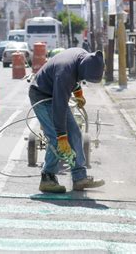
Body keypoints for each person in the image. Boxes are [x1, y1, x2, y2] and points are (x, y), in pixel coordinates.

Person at [29, 48, 105, 193]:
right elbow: (60, 106)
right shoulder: (65, 72)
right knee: (56, 139)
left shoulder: (82, 57)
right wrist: (62, 135)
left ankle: (79, 178)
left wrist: (78, 92)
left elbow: (75, 77)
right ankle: (47, 178)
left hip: (54, 91)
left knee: (75, 133)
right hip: (41, 96)